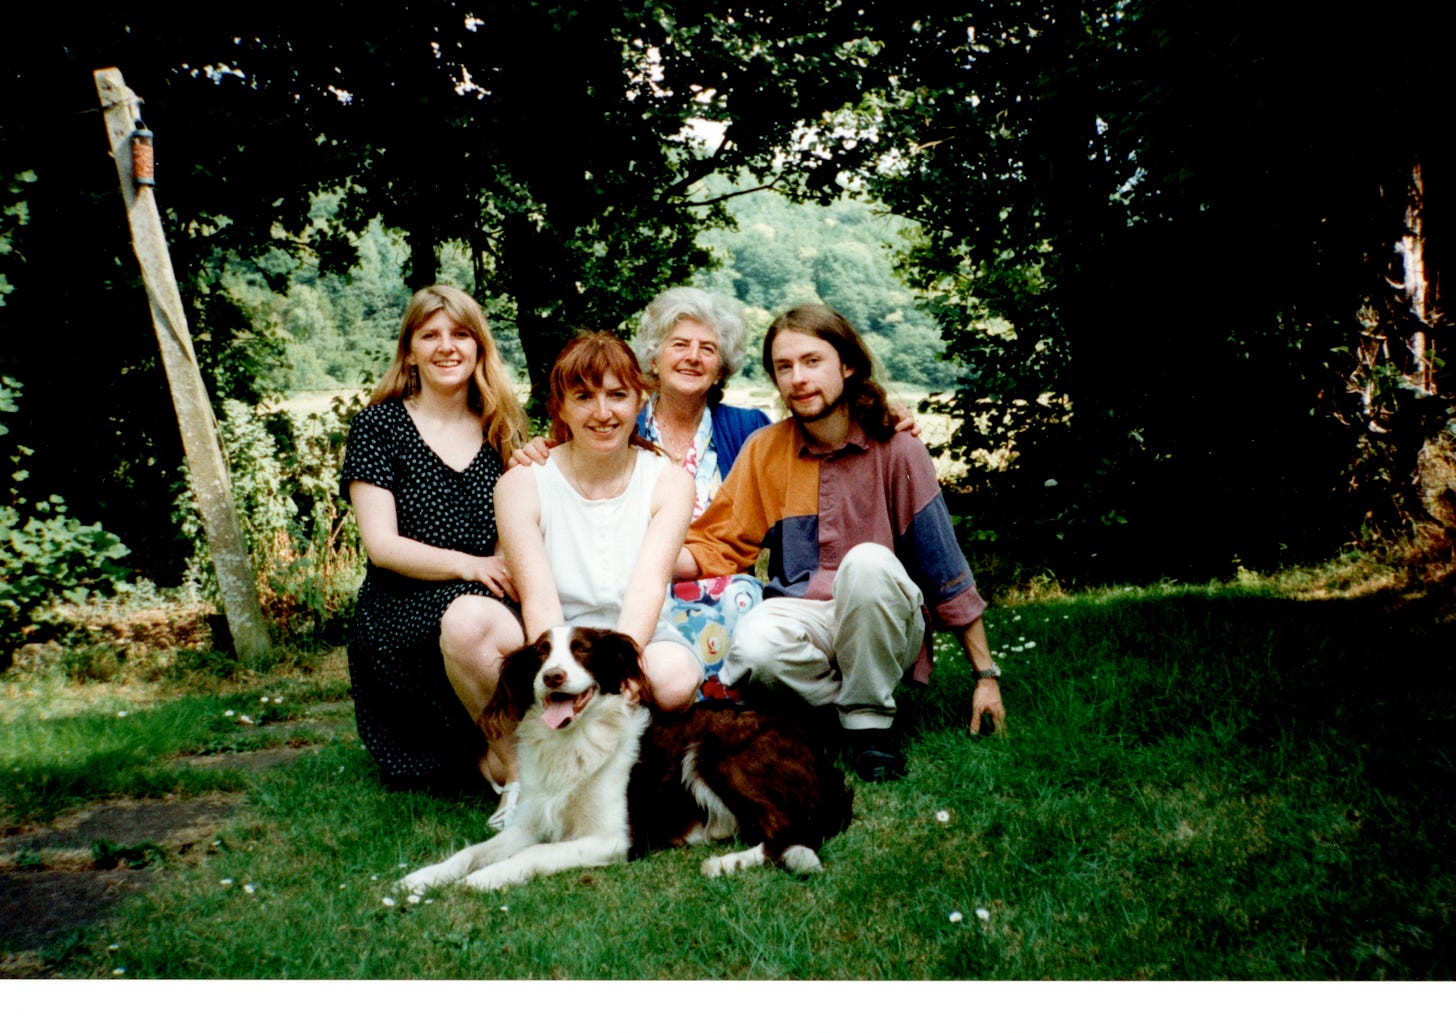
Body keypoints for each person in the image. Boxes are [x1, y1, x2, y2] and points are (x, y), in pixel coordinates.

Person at [675, 303, 1006, 782]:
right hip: (806, 616)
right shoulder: (765, 450)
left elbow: (944, 567)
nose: (798, 379)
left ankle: (873, 730)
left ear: (847, 365)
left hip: (881, 611)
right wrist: (642, 561)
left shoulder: (899, 448)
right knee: (753, 644)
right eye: (784, 367)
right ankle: (849, 713)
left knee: (867, 562)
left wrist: (986, 676)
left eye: (812, 361)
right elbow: (717, 543)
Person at [340, 285, 529, 825]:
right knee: (469, 620)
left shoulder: (503, 426)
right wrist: (470, 566)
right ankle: (515, 777)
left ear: (479, 348)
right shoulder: (380, 427)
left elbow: (514, 526)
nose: (447, 347)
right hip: (404, 604)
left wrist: (495, 566)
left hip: (488, 595)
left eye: (461, 334)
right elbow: (382, 546)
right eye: (431, 335)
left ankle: (494, 755)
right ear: (410, 351)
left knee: (494, 623)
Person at [494, 330, 704, 711]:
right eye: (584, 397)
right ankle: (513, 758)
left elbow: (648, 588)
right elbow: (538, 597)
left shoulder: (670, 483)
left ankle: (644, 753)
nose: (603, 413)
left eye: (618, 395)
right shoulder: (521, 484)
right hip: (553, 637)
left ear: (640, 401)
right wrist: (563, 671)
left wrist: (619, 673)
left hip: (642, 636)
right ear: (559, 407)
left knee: (674, 679)